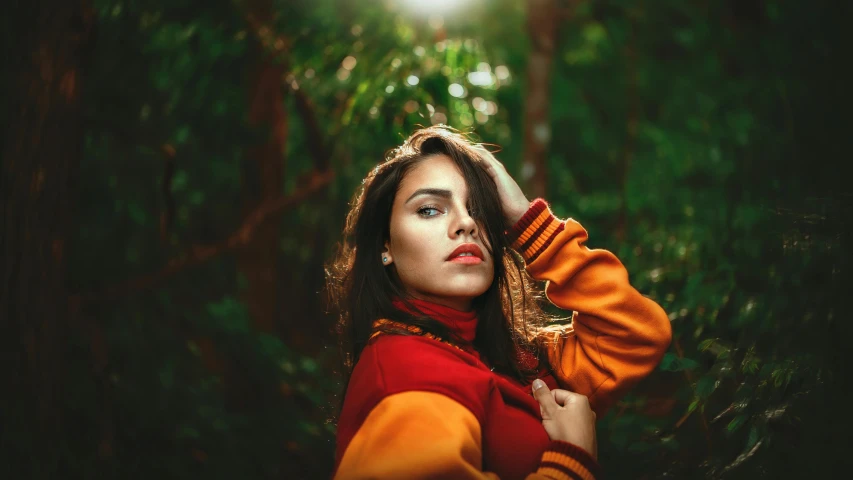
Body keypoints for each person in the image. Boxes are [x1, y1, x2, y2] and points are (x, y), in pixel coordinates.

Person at [326, 126, 672, 479]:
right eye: (430, 210)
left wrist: (529, 221)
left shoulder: (512, 359)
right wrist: (572, 461)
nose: (466, 223)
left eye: (479, 210)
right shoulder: (407, 374)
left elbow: (637, 336)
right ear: (385, 246)